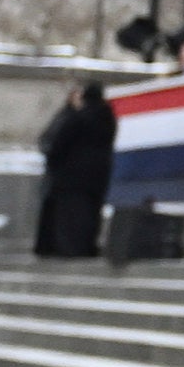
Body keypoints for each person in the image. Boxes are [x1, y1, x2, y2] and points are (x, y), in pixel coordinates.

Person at [38, 87, 118, 257]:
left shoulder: (76, 118)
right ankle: (87, 246)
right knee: (91, 213)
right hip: (98, 175)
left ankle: (70, 248)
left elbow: (58, 144)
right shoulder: (107, 118)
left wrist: (55, 162)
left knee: (71, 215)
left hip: (72, 176)